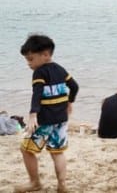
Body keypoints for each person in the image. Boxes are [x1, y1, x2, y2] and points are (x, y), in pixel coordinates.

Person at [17, 34, 80, 193]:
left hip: (44, 121)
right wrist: (70, 102)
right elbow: (74, 86)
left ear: (45, 55)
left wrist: (33, 115)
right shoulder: (60, 69)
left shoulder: (39, 73)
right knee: (57, 152)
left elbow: (37, 94)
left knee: (26, 150)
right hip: (61, 120)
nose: (28, 64)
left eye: (31, 59)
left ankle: (35, 182)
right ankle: (62, 185)